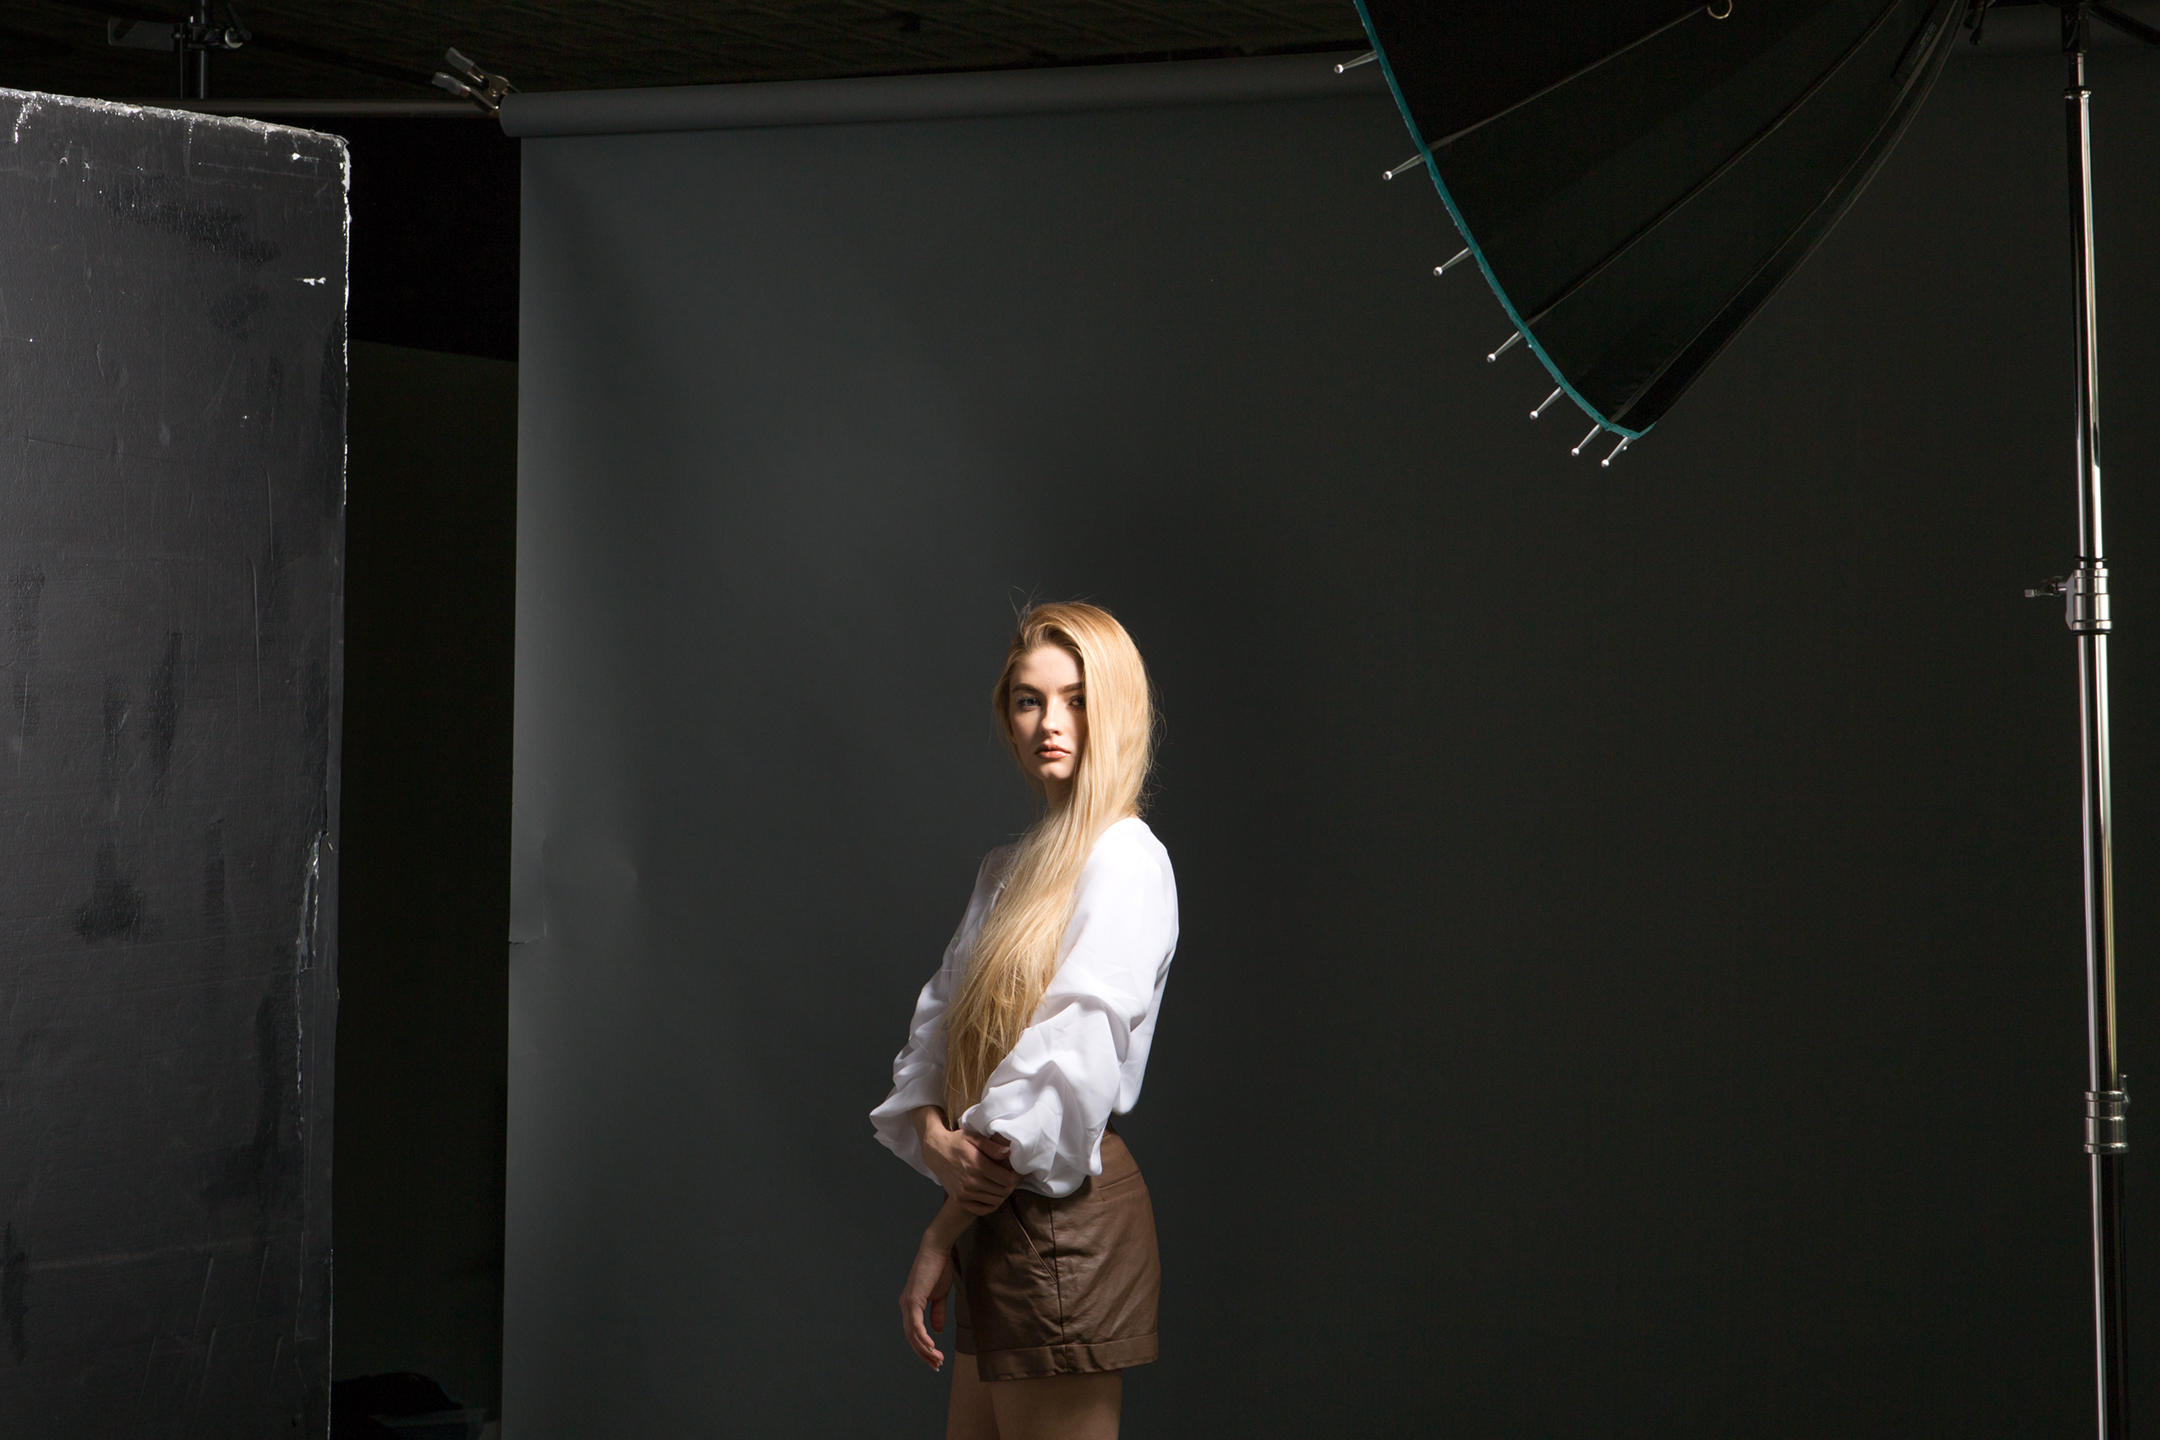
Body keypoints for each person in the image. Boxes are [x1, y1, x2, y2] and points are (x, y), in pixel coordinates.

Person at [871, 601, 1179, 1440]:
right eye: (1028, 699)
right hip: (995, 1221)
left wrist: (940, 1232)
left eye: (1077, 698)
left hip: (1058, 1222)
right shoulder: (1007, 869)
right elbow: (936, 1035)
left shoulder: (1126, 859)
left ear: (1115, 707)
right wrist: (933, 1137)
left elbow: (1064, 1072)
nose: (1051, 722)